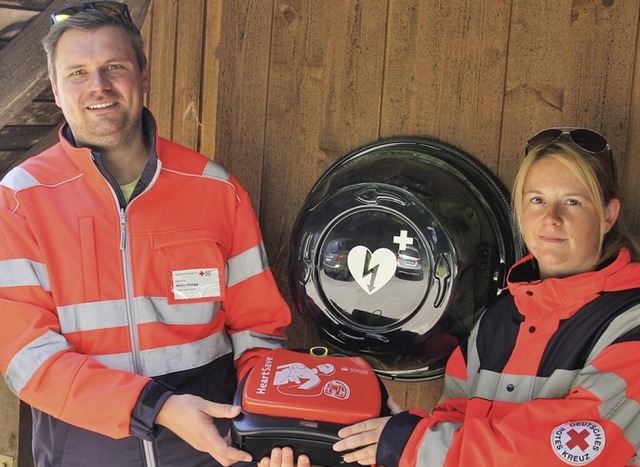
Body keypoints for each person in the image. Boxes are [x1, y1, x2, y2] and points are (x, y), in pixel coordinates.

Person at [0, 2, 309, 466]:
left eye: (114, 67)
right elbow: (25, 356)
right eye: (78, 72)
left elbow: (258, 332)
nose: (98, 86)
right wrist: (154, 406)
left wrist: (266, 424)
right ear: (56, 91)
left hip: (211, 454)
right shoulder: (20, 199)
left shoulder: (216, 189)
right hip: (83, 455)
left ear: (142, 75)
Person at [333, 127, 640, 466]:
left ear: (608, 215)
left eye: (573, 202)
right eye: (537, 200)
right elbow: (456, 422)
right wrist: (389, 431)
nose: (551, 218)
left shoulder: (630, 324)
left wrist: (412, 444)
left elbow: (557, 453)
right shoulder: (500, 317)